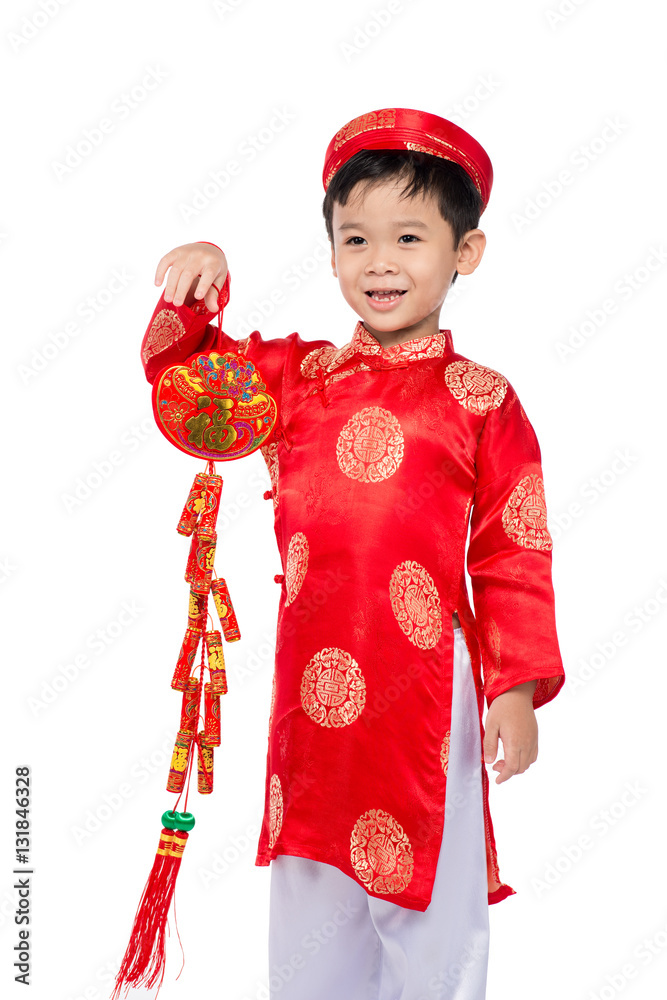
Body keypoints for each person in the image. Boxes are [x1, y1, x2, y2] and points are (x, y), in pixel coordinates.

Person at [141, 107, 565, 1000]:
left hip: (427, 695)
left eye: (409, 237)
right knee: (310, 896)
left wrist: (514, 688)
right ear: (331, 255)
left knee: (431, 915)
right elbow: (189, 390)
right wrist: (199, 287)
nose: (380, 262)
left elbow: (512, 551)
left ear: (465, 253)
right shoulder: (296, 381)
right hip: (311, 697)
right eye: (356, 238)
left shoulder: (482, 400)